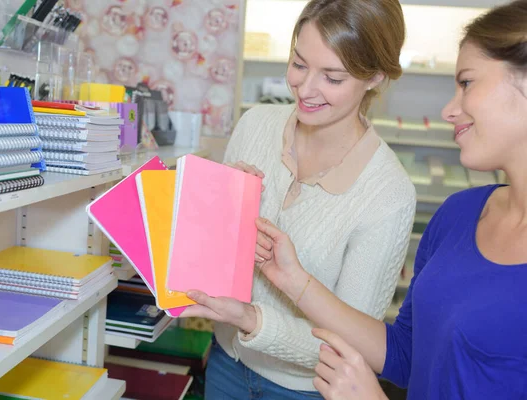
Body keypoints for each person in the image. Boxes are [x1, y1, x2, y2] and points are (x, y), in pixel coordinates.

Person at [252, 1, 527, 399]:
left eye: (466, 83)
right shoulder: (459, 214)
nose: (450, 110)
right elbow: (404, 354)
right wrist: (293, 280)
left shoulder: (390, 190)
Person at [179, 0, 416, 398]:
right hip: (225, 361)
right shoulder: (255, 125)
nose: (305, 89)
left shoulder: (388, 195)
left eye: (333, 78)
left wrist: (253, 319)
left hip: (304, 389)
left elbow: (350, 344)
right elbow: (211, 258)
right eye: (299, 64)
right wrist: (217, 203)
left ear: (375, 76)